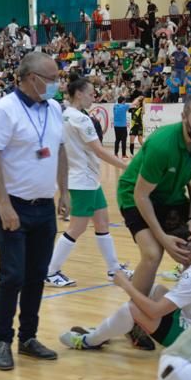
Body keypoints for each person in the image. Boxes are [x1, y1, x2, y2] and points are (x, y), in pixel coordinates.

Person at [0, 51, 69, 371]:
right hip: (13, 206)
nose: (57, 84)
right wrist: (3, 204)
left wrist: (64, 190)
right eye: (52, 78)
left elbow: (59, 149)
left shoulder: (55, 108)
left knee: (35, 276)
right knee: (12, 275)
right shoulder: (3, 111)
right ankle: (2, 340)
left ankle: (28, 338)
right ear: (32, 78)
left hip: (43, 206)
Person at [60, 220, 191, 351]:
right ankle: (108, 331)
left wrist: (126, 284)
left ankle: (90, 341)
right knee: (156, 290)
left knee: (132, 308)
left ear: (179, 249)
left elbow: (155, 311)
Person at [117, 92, 191, 303]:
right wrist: (162, 237)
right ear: (184, 116)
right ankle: (134, 316)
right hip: (135, 194)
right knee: (153, 254)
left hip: (173, 195)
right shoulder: (162, 145)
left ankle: (184, 312)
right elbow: (141, 195)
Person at [44, 75, 129, 288]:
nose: (94, 97)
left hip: (89, 179)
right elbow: (99, 150)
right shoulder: (81, 119)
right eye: (91, 94)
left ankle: (114, 269)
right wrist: (128, 166)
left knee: (101, 222)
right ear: (79, 94)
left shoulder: (66, 115)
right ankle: (50, 271)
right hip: (82, 179)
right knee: (77, 228)